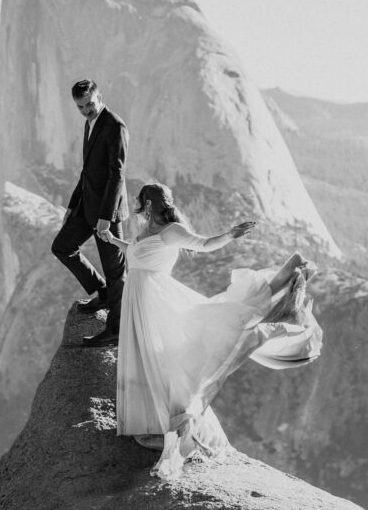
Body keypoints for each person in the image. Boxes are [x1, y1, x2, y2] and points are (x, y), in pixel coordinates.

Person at [97, 182, 322, 479]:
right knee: (145, 356)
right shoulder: (147, 233)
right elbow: (136, 254)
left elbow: (202, 244)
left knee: (165, 357)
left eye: (141, 204)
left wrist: (230, 234)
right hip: (139, 296)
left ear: (147, 206)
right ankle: (150, 421)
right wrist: (112, 239)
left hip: (156, 298)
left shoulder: (171, 231)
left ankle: (169, 423)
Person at [51, 79, 130, 347]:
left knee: (115, 271)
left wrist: (106, 218)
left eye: (90, 104)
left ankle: (116, 329)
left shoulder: (114, 125)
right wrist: (73, 205)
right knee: (62, 247)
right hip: (87, 206)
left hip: (107, 212)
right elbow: (87, 172)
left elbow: (117, 174)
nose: (86, 110)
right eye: (81, 107)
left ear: (99, 97)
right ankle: (103, 291)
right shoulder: (90, 123)